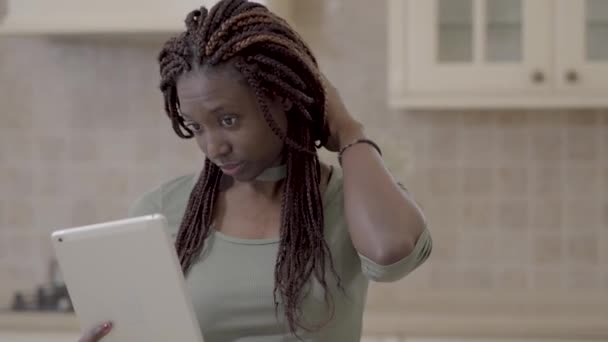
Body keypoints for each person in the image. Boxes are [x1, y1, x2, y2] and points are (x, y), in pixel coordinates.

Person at [78, 0, 431, 341]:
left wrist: (348, 131)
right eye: (197, 127)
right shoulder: (159, 212)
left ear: (283, 97)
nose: (214, 147)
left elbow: (390, 253)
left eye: (228, 120)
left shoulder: (350, 200)